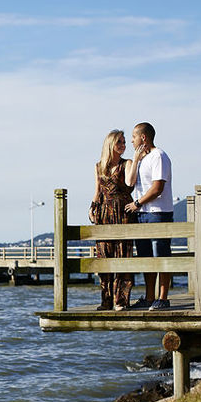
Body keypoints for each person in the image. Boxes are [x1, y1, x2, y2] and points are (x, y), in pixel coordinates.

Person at [125, 122, 174, 310]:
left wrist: (137, 203)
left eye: (134, 137)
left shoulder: (159, 156)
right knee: (145, 257)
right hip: (142, 214)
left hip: (157, 213)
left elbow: (157, 188)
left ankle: (163, 297)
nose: (131, 141)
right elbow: (130, 183)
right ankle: (149, 297)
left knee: (160, 255)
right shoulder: (141, 159)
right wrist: (135, 159)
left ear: (143, 137)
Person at [89, 129, 135, 310]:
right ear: (110, 144)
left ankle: (121, 300)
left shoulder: (127, 163)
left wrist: (136, 159)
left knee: (123, 255)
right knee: (104, 256)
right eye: (119, 142)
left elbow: (130, 184)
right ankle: (106, 300)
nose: (123, 145)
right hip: (104, 213)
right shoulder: (98, 166)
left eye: (124, 142)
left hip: (122, 212)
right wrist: (92, 208)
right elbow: (97, 191)